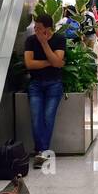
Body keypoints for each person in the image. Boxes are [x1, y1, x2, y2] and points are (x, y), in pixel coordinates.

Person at [24, 12, 66, 168]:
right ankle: (42, 151)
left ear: (48, 29)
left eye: (39, 28)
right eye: (35, 27)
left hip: (54, 84)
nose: (36, 30)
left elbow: (57, 61)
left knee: (48, 117)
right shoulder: (30, 41)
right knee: (36, 118)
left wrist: (44, 44)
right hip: (35, 84)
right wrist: (51, 62)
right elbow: (29, 64)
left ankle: (42, 152)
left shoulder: (59, 39)